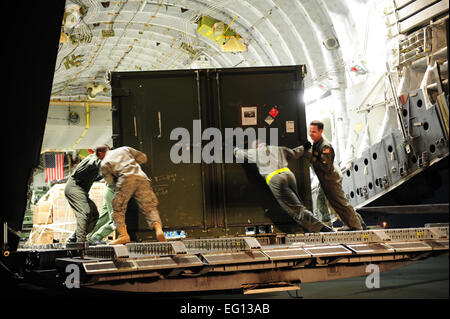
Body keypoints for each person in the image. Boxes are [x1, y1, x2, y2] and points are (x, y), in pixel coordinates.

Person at [234, 140, 334, 233]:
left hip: (276, 179)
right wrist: (304, 147)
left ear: (256, 147)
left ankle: (321, 228)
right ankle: (310, 226)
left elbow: (239, 153)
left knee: (296, 209)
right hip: (289, 175)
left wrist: (233, 147)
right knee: (299, 204)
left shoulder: (255, 152)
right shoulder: (278, 148)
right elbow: (295, 153)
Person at [296, 120, 367, 230]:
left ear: (321, 132)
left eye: (314, 132)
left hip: (331, 179)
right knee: (335, 204)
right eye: (310, 131)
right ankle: (355, 224)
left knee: (341, 204)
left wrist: (311, 157)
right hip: (325, 180)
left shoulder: (325, 147)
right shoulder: (316, 144)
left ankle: (357, 226)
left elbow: (325, 167)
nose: (311, 134)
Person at [100, 146, 166, 244]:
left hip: (125, 179)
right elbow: (143, 158)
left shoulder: (104, 162)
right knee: (150, 207)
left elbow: (110, 182)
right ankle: (158, 229)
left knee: (117, 207)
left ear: (100, 153)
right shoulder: (124, 149)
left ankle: (123, 235)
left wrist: (119, 185)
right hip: (141, 178)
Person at [65, 145, 110, 243]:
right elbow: (93, 164)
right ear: (100, 153)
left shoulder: (97, 161)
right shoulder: (92, 159)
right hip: (74, 188)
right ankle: (80, 242)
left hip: (82, 190)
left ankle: (74, 237)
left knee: (94, 215)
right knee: (85, 213)